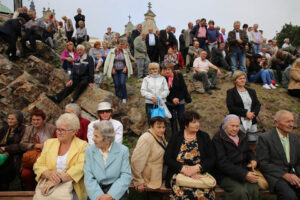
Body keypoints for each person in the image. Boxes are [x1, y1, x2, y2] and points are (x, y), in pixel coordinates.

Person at [33, 113, 88, 200]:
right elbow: (38, 165)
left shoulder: (83, 145)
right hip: (48, 184)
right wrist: (49, 174)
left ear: (74, 131)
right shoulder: (49, 143)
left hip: (72, 186)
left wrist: (58, 179)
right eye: (58, 129)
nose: (59, 133)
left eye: (63, 130)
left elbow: (80, 168)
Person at [165, 110, 216, 199]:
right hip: (179, 174)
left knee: (203, 194)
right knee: (184, 192)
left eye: (198, 121)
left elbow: (212, 158)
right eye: (193, 122)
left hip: (199, 174)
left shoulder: (204, 137)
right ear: (185, 124)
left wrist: (197, 168)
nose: (197, 124)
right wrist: (183, 169)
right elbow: (167, 158)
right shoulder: (176, 136)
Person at [212, 114, 259, 200]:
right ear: (225, 125)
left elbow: (249, 151)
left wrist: (253, 159)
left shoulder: (242, 135)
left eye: (237, 126)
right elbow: (222, 163)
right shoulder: (218, 138)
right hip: (225, 175)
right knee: (239, 192)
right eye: (232, 126)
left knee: (253, 189)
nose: (235, 129)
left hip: (244, 171)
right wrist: (244, 174)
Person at [257, 110, 300, 200]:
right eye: (288, 121)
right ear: (276, 123)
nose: (291, 124)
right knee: (289, 197)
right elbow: (263, 163)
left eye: (292, 121)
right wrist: (285, 175)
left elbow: (298, 162)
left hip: (294, 175)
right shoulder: (265, 138)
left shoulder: (294, 138)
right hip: (275, 176)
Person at [84, 121, 132, 200]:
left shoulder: (123, 150)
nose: (93, 138)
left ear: (107, 139)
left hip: (117, 190)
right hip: (96, 190)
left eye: (96, 136)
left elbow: (126, 175)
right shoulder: (89, 150)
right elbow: (88, 176)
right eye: (93, 135)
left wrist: (111, 195)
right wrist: (98, 196)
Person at [131, 117, 167, 200]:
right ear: (151, 126)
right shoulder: (146, 138)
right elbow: (136, 161)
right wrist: (138, 181)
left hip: (159, 171)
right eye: (159, 127)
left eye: (163, 127)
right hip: (150, 176)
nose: (162, 130)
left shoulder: (160, 136)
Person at [20, 108, 56, 191]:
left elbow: (57, 142)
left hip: (48, 159)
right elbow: (22, 144)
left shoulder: (51, 128)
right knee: (25, 175)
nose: (35, 122)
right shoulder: (28, 129)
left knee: (46, 175)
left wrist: (47, 146)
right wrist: (35, 145)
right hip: (32, 158)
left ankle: (44, 191)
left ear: (44, 120)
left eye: (38, 120)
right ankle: (31, 192)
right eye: (33, 120)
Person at [0, 110, 25, 190]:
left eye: (12, 119)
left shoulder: (23, 130)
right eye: (8, 118)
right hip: (1, 155)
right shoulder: (5, 129)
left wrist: (6, 149)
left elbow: (22, 146)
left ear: (18, 120)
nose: (9, 121)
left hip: (14, 157)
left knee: (4, 172)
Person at [163, 63, 189, 134]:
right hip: (169, 101)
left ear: (172, 70)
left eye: (168, 69)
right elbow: (165, 92)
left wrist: (178, 98)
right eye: (165, 70)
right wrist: (172, 99)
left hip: (180, 100)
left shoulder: (179, 76)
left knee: (181, 118)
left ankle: (183, 134)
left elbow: (183, 88)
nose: (167, 71)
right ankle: (175, 136)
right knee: (172, 119)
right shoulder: (163, 79)